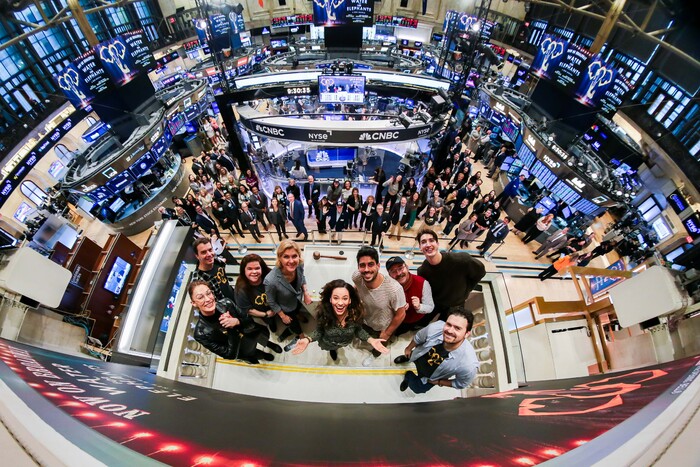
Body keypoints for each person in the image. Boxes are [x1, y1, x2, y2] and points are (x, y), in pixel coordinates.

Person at [291, 280, 388, 362]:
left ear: (349, 300)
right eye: (336, 298)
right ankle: (333, 351)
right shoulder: (324, 314)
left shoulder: (355, 315)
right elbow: (319, 331)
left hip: (345, 341)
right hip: (328, 343)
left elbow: (358, 330)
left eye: (345, 298)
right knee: (332, 350)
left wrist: (371, 340)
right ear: (330, 299)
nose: (340, 303)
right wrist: (308, 339)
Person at [188, 281, 276, 363]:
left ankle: (269, 344)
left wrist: (237, 321)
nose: (207, 299)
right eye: (200, 297)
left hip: (251, 333)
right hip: (241, 347)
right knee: (253, 353)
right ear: (194, 303)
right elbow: (229, 355)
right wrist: (231, 329)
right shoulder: (200, 333)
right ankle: (264, 355)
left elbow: (249, 320)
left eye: (208, 293)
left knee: (262, 338)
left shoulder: (226, 303)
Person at [395, 309, 479, 393]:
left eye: (457, 328)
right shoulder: (435, 327)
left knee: (417, 389)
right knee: (411, 355)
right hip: (419, 356)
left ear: (467, 334)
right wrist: (408, 349)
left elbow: (461, 383)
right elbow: (418, 338)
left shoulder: (468, 365)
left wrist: (439, 382)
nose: (449, 331)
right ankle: (407, 358)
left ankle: (408, 377)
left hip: (430, 377)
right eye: (448, 324)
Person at [352, 246, 407, 364]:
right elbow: (356, 287)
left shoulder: (394, 289)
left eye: (371, 264)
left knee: (380, 343)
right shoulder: (357, 277)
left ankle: (375, 354)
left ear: (378, 265)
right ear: (358, 267)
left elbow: (401, 314)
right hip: (365, 318)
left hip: (382, 326)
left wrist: (387, 333)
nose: (366, 269)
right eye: (362, 265)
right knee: (364, 333)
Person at [416, 229, 486, 320]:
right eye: (423, 242)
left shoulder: (462, 260)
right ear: (420, 247)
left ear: (437, 243)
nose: (428, 244)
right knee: (424, 320)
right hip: (436, 303)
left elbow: (480, 272)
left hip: (456, 304)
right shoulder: (422, 271)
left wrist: (467, 290)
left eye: (431, 240)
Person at [264, 240, 313, 346]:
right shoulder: (271, 280)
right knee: (293, 323)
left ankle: (298, 314)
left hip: (297, 299)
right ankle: (300, 334)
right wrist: (282, 316)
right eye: (286, 257)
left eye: (294, 256)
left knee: (297, 309)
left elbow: (302, 277)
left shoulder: (299, 265)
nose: (291, 261)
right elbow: (271, 302)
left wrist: (305, 292)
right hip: (285, 308)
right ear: (280, 258)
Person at [385, 256, 435, 335]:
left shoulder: (422, 283)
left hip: (417, 318)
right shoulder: (388, 286)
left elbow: (430, 307)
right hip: (399, 320)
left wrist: (419, 306)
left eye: (400, 268)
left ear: (407, 267)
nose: (398, 273)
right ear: (389, 274)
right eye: (393, 271)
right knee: (400, 331)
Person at [235, 254, 279, 333]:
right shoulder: (240, 289)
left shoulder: (269, 274)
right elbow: (248, 310)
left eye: (257, 268)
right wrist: (265, 314)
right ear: (244, 270)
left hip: (277, 304)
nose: (254, 272)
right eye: (249, 269)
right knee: (270, 322)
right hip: (264, 312)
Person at [191, 237, 236, 301]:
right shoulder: (198, 281)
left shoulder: (216, 261)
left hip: (233, 296)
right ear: (197, 256)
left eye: (210, 250)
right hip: (225, 307)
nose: (209, 254)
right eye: (203, 252)